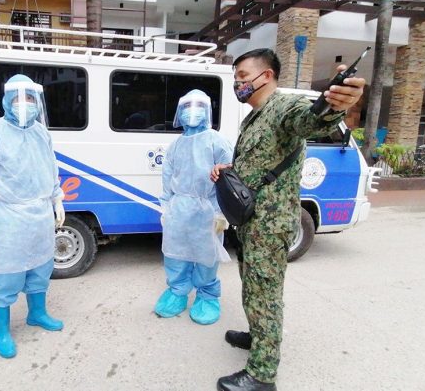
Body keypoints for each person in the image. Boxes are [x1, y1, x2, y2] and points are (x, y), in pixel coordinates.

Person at [210, 49, 365, 391]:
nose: (237, 83)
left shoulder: (284, 107)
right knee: (253, 288)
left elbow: (311, 119)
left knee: (264, 293)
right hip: (252, 222)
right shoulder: (254, 116)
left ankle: (262, 375)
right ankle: (258, 336)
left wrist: (337, 105)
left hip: (270, 224)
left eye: (241, 76)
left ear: (264, 76)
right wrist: (230, 171)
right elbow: (261, 162)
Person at [0, 74, 65, 359]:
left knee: (40, 267)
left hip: (39, 213)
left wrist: (57, 198)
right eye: (18, 99)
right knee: (5, 274)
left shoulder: (41, 132)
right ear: (7, 101)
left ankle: (37, 313)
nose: (25, 105)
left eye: (30, 99)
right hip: (7, 214)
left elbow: (51, 168)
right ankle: (1, 330)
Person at [154, 89, 233, 325]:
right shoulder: (176, 145)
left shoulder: (216, 141)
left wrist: (221, 211)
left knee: (206, 256)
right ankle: (177, 291)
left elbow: (229, 177)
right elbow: (167, 178)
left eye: (198, 106)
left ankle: (207, 296)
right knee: (175, 253)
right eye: (187, 106)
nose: (192, 111)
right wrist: (166, 206)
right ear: (180, 111)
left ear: (207, 111)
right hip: (179, 209)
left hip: (207, 209)